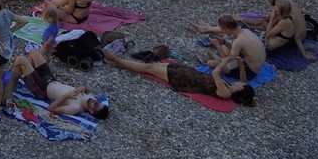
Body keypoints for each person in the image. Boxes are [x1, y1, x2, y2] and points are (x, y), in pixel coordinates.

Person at [100, 48, 256, 105]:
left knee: (148, 67)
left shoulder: (226, 92)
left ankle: (116, 59)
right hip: (189, 74)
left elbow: (215, 73)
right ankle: (115, 63)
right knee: (154, 66)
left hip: (185, 80)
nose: (240, 83)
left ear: (241, 89)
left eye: (242, 85)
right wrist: (241, 65)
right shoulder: (232, 87)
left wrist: (225, 62)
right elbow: (243, 80)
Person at [207, 0, 309, 59]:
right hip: (278, 37)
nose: (268, 2)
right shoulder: (287, 8)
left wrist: (271, 19)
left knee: (240, 32)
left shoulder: (283, 20)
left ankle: (214, 35)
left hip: (268, 43)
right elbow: (264, 21)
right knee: (242, 30)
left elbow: (268, 32)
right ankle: (215, 31)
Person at [13, 50, 110, 119]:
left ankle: (12, 85)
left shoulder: (75, 107)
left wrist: (67, 95)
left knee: (20, 60)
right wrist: (83, 87)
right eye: (98, 102)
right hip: (50, 78)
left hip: (42, 88)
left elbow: (51, 108)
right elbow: (89, 90)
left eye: (96, 105)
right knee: (34, 52)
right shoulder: (90, 97)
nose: (95, 101)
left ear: (91, 111)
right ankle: (26, 74)